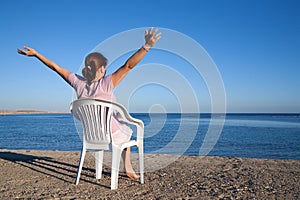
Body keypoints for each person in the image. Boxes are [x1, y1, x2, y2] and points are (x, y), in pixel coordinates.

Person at [18, 28, 161, 180]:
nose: (106, 69)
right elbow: (128, 66)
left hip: (92, 134)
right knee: (125, 130)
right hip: (109, 133)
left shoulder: (77, 82)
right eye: (104, 67)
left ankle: (126, 168)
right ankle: (128, 169)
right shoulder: (107, 83)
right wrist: (146, 46)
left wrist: (37, 55)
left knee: (120, 122)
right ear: (101, 69)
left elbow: (56, 67)